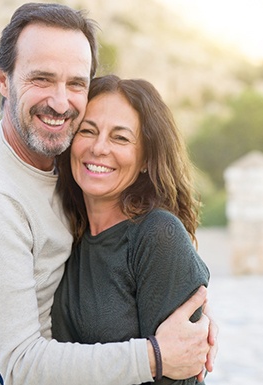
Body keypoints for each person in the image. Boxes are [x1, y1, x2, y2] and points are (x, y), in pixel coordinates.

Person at [0, 3, 216, 385]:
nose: (61, 102)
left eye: (76, 83)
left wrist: (190, 324)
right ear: (1, 79)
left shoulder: (61, 172)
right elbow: (22, 365)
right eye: (41, 79)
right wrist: (157, 356)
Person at [52, 75, 211, 384]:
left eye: (120, 138)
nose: (99, 148)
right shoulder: (63, 228)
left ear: (145, 159)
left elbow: (184, 373)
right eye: (88, 130)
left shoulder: (158, 236)